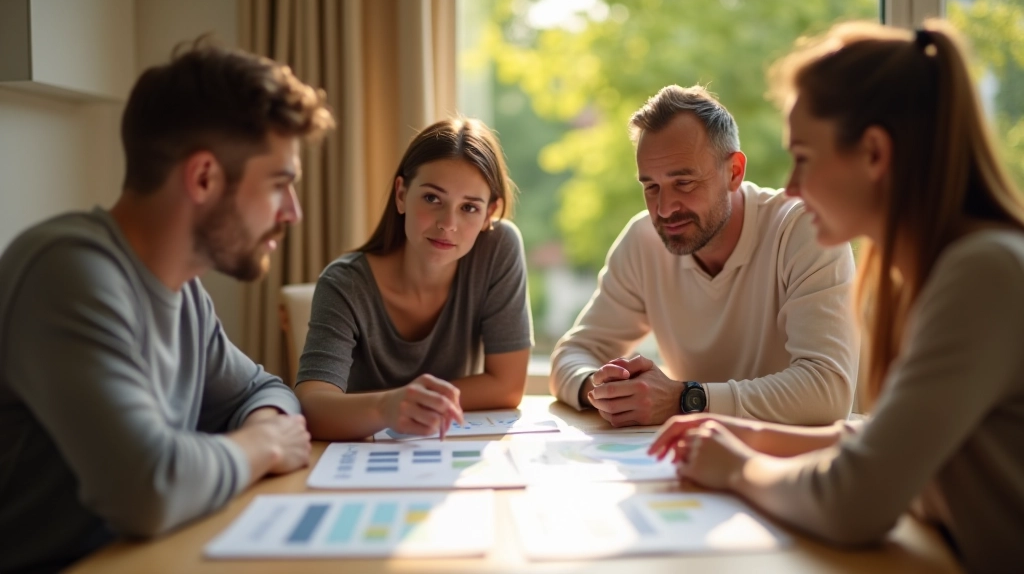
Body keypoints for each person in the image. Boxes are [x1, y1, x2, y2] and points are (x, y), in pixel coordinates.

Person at [650, 20, 1024, 573]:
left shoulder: (983, 273)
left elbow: (854, 503)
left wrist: (737, 468)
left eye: (803, 156)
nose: (793, 186)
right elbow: (894, 438)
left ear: (874, 153)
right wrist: (750, 433)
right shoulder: (954, 268)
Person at [0, 40, 334, 573]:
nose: (292, 212)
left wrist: (267, 427)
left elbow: (263, 390)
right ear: (203, 177)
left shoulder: (184, 293)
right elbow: (148, 488)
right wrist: (262, 446)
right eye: (279, 185)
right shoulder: (66, 271)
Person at [550, 84, 859, 427]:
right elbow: (572, 354)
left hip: (794, 463)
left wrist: (685, 399)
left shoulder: (804, 229)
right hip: (695, 458)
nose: (664, 209)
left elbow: (828, 392)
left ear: (734, 173)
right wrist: (603, 388)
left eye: (684, 183)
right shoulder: (643, 240)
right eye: (651, 187)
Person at [295, 118, 533, 441]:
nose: (448, 223)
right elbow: (312, 406)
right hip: (363, 454)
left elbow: (507, 387)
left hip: (444, 449)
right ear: (401, 194)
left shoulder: (498, 249)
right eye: (433, 199)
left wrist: (409, 403)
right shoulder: (344, 284)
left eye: (469, 208)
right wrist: (389, 407)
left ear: (489, 214)